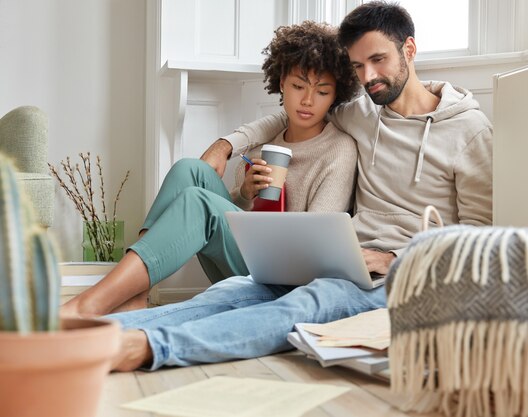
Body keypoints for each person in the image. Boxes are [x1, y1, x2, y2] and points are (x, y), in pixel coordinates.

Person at [110, 1, 493, 372]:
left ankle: (147, 347)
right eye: (358, 66)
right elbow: (291, 113)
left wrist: (393, 259)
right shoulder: (363, 111)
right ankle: (108, 330)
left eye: (379, 60)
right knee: (232, 291)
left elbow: (480, 237)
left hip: (404, 275)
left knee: (305, 305)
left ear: (409, 49)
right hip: (343, 260)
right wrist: (228, 144)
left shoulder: (469, 130)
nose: (368, 77)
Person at [61, 21, 360, 318]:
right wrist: (244, 194)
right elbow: (238, 217)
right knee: (189, 170)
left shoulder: (339, 150)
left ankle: (90, 304)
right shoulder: (266, 142)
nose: (308, 100)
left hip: (287, 282)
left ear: (336, 95)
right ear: (282, 82)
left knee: (198, 203)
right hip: (248, 263)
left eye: (322, 91)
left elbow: (317, 249)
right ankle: (136, 292)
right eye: (298, 86)